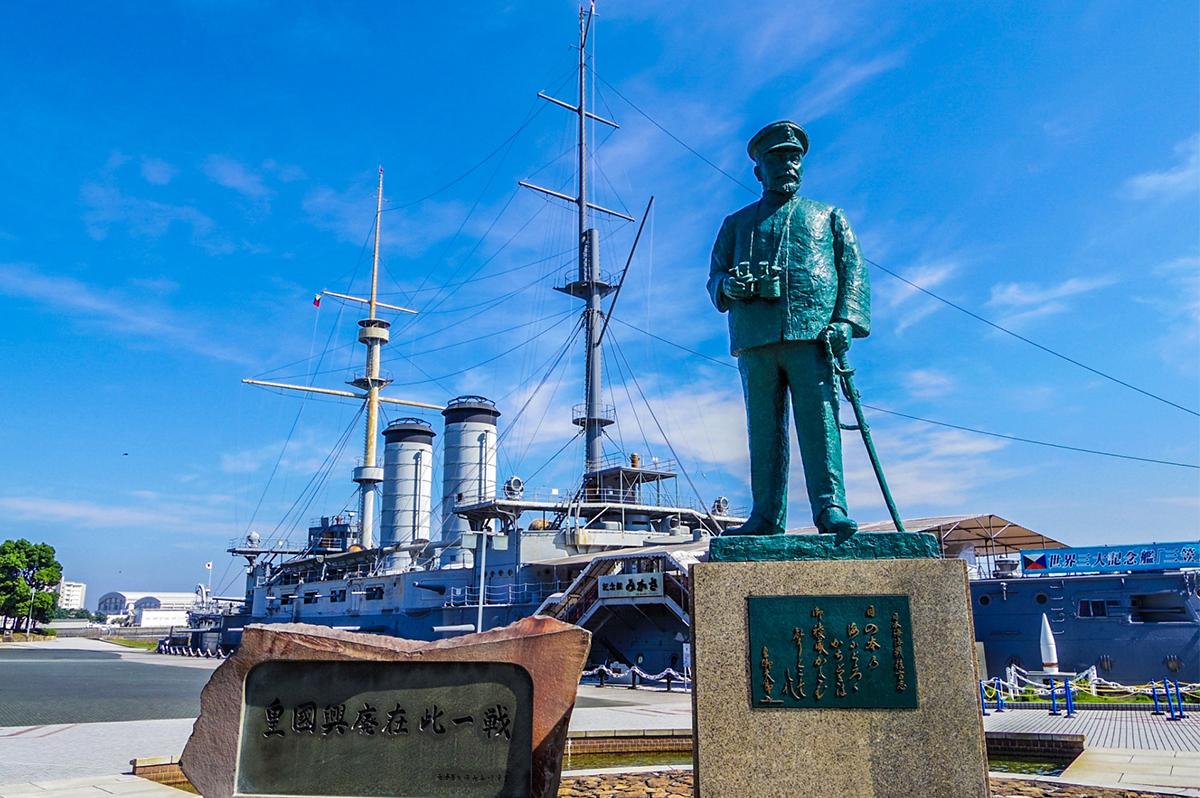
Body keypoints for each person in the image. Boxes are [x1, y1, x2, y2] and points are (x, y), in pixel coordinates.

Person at [707, 121, 870, 538]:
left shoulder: (828, 216)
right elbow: (714, 280)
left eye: (794, 157)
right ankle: (765, 515)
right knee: (763, 432)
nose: (788, 165)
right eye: (777, 158)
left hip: (813, 336)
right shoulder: (736, 224)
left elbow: (854, 272)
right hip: (756, 340)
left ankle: (830, 507)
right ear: (759, 170)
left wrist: (846, 321)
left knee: (820, 424)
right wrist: (729, 285)